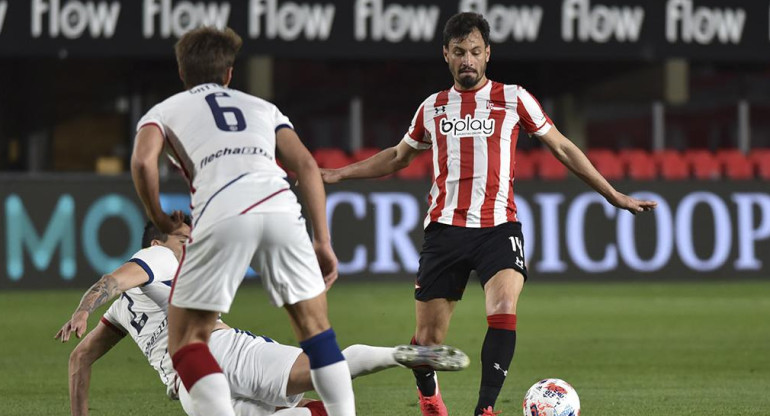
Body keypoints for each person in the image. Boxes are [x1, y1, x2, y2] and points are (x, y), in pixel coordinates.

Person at [320, 12, 657, 416]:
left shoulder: (513, 98)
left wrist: (613, 194)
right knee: (427, 343)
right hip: (444, 230)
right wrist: (339, 173)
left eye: (475, 52)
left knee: (503, 308)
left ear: (487, 55)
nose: (468, 60)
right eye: (459, 52)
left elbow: (564, 148)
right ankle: (429, 397)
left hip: (499, 226)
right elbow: (396, 156)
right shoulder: (433, 107)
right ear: (446, 54)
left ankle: (486, 409)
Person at [129, 26, 356, 416]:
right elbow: (305, 166)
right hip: (281, 207)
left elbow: (142, 160)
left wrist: (160, 219)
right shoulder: (262, 108)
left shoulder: (164, 112)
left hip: (222, 210)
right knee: (317, 332)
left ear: (182, 74)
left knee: (186, 340)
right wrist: (322, 239)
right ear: (230, 73)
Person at [55, 218, 470, 416]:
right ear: (157, 240)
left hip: (190, 388)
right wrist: (81, 308)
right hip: (221, 350)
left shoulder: (125, 309)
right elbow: (114, 277)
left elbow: (79, 359)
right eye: (184, 238)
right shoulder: (159, 255)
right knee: (328, 372)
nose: (188, 245)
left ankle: (404, 357)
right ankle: (401, 355)